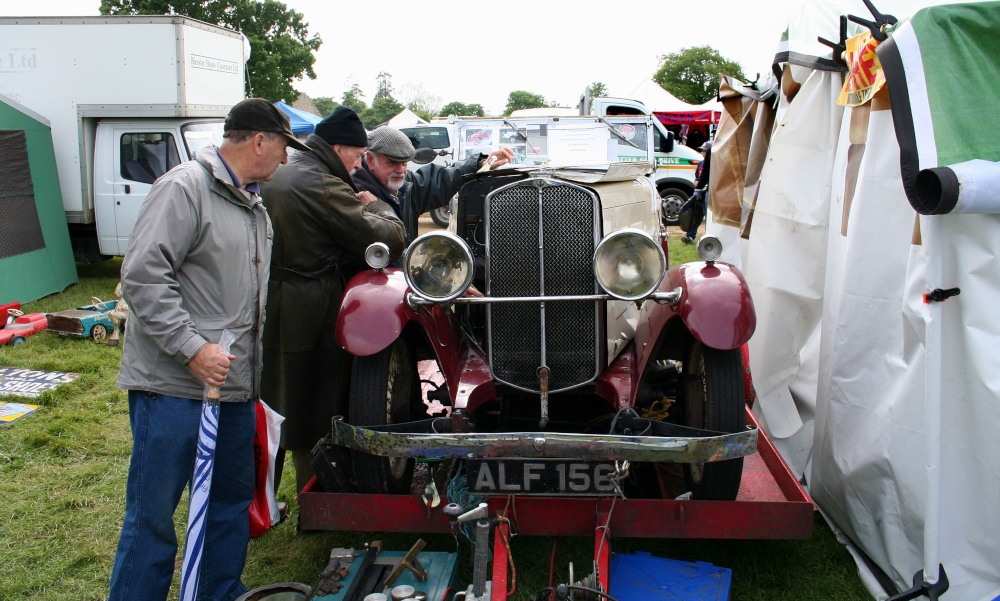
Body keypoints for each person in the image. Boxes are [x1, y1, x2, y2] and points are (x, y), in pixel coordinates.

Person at [109, 98, 305, 601]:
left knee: (226, 504)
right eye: (284, 146)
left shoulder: (252, 202)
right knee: (153, 515)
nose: (286, 159)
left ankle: (218, 592)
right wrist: (192, 348)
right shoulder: (183, 189)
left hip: (233, 392)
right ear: (259, 140)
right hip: (173, 388)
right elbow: (143, 277)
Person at [260, 106, 406, 493]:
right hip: (312, 303)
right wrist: (374, 205)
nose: (358, 165)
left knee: (276, 396)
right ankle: (317, 493)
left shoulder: (285, 169)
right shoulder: (323, 183)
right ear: (339, 148)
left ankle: (264, 498)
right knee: (313, 402)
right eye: (357, 156)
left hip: (275, 295)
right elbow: (389, 236)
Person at [353, 126, 515, 242]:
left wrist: (480, 164)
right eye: (393, 163)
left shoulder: (406, 186)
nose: (401, 170)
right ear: (370, 160)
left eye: (405, 163)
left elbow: (441, 180)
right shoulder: (354, 194)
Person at [683, 139, 713, 244]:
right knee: (695, 214)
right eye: (702, 151)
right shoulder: (701, 163)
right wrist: (697, 184)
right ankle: (690, 236)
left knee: (708, 217)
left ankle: (708, 236)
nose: (703, 153)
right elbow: (698, 176)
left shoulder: (712, 163)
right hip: (699, 192)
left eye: (705, 151)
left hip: (706, 191)